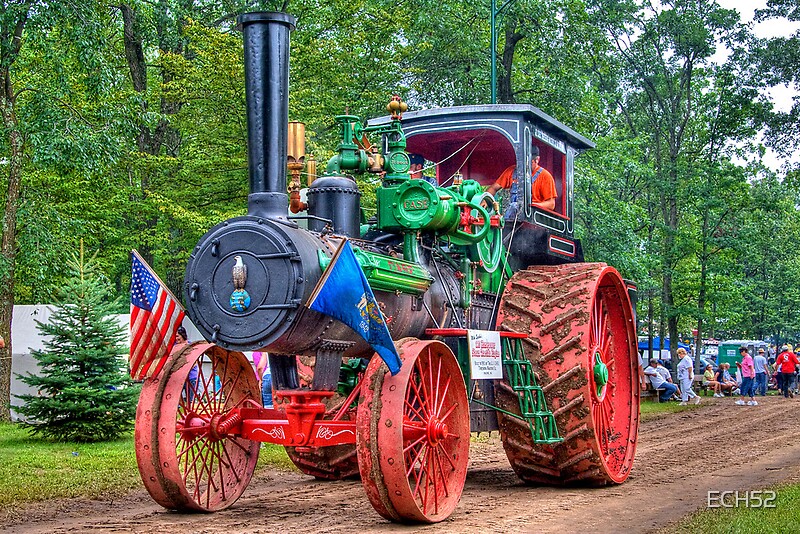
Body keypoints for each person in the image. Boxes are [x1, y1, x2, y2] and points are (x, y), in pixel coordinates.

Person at [487, 145, 557, 215]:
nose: (526, 165)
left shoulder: (545, 176)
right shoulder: (511, 171)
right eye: (523, 162)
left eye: (530, 162)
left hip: (533, 216)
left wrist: (530, 205)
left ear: (537, 160)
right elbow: (493, 188)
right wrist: (486, 200)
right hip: (512, 213)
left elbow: (551, 204)